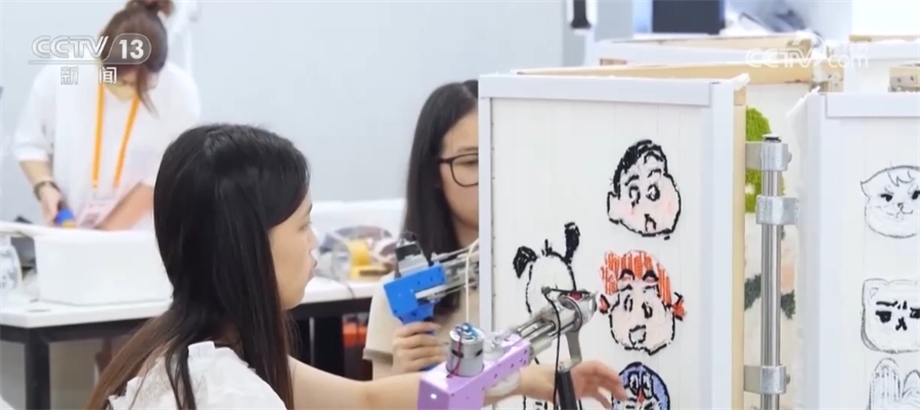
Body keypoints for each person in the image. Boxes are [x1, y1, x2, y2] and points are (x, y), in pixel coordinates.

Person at [85, 123, 627, 409]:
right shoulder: (226, 392)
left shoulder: (193, 352)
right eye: (303, 225)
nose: (314, 243)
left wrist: (528, 379)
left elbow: (366, 400)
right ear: (247, 245)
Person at [13, 0, 200, 231]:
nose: (119, 87)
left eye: (131, 84)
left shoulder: (180, 96)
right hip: (66, 229)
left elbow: (162, 176)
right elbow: (30, 144)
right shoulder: (63, 73)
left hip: (134, 236)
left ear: (157, 71)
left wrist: (103, 234)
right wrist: (45, 186)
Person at [364, 80, 480, 377]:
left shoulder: (548, 277)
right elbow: (377, 397)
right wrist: (402, 377)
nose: (493, 177)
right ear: (433, 173)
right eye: (472, 161)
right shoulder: (399, 299)